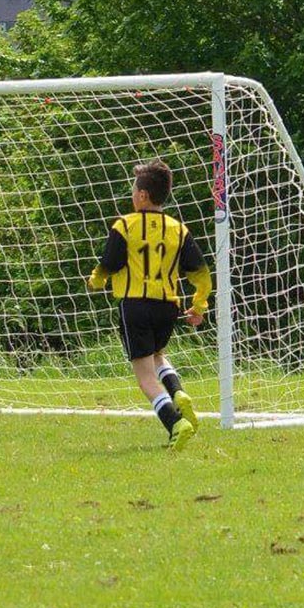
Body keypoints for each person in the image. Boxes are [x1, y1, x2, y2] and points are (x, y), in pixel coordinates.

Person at [87, 159, 213, 450]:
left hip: (135, 304)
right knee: (157, 355)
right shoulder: (178, 230)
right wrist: (199, 305)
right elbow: (202, 275)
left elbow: (109, 263)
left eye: (134, 190)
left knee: (144, 375)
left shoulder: (125, 225)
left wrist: (96, 281)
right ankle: (177, 391)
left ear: (142, 195)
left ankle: (174, 422)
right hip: (167, 306)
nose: (132, 195)